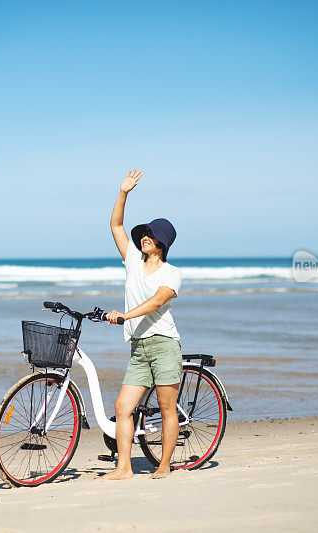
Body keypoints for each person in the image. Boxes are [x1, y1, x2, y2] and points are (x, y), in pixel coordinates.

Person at [100, 169, 183, 480]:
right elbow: (116, 225)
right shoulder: (133, 260)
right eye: (144, 233)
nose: (145, 237)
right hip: (138, 347)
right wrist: (123, 192)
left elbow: (157, 302)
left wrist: (124, 315)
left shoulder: (171, 273)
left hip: (163, 344)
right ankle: (123, 468)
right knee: (123, 407)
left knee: (166, 408)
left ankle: (163, 465)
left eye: (151, 234)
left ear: (162, 243)